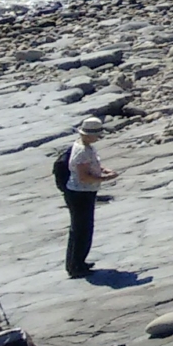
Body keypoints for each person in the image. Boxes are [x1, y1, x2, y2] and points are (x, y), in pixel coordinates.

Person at [61, 117, 116, 279]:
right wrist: (106, 179)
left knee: (82, 229)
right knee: (81, 230)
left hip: (83, 192)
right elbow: (84, 177)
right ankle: (75, 266)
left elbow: (90, 166)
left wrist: (103, 170)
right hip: (80, 193)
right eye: (97, 135)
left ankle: (78, 262)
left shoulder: (83, 146)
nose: (98, 138)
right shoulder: (82, 150)